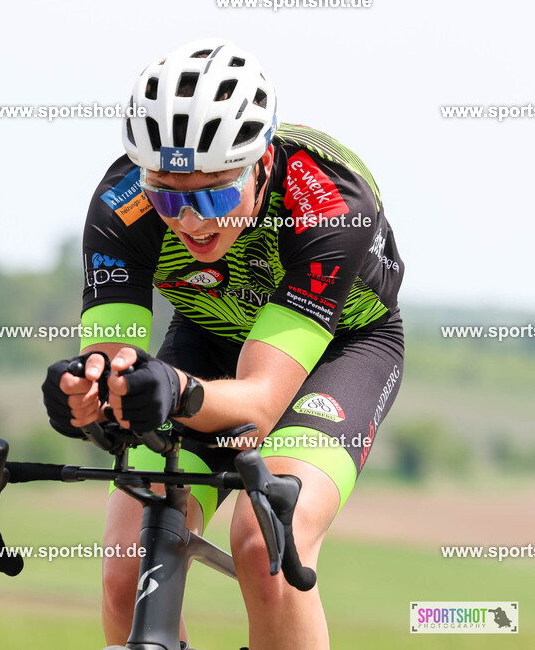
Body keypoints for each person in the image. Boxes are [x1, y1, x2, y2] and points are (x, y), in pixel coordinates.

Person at [42, 39, 404, 649]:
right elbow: (113, 360)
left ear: (261, 163)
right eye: (168, 196)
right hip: (207, 338)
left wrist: (175, 390)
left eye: (212, 194)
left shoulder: (329, 202)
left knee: (266, 542)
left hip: (339, 351)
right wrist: (84, 394)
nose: (190, 220)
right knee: (129, 566)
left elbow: (261, 399)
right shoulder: (120, 205)